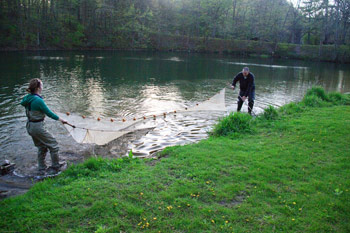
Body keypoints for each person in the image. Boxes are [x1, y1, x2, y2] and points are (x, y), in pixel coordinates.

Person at [20, 78, 67, 174]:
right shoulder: (38, 100)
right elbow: (49, 113)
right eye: (41, 85)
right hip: (37, 126)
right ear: (38, 87)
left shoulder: (28, 98)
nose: (42, 86)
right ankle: (55, 166)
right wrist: (62, 120)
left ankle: (41, 168)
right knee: (54, 145)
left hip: (30, 126)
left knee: (41, 147)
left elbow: (38, 109)